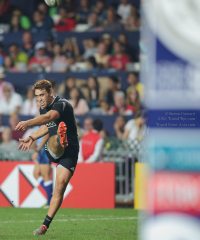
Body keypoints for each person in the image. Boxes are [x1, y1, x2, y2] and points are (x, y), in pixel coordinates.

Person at [16, 79, 79, 235]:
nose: (39, 99)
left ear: (50, 93)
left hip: (71, 150)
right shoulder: (42, 108)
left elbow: (51, 116)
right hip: (52, 148)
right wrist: (32, 137)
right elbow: (46, 125)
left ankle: (44, 226)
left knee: (60, 186)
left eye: (42, 95)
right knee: (55, 135)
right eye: (37, 96)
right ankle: (59, 138)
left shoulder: (62, 104)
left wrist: (27, 123)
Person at [32, 127, 53, 207]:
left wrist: (38, 150)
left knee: (46, 176)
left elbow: (46, 135)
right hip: (40, 149)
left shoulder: (46, 120)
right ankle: (50, 195)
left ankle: (50, 202)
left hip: (44, 149)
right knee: (36, 174)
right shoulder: (39, 121)